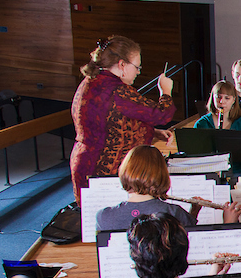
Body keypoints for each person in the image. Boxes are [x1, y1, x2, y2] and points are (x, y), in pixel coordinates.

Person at [70, 35, 176, 202]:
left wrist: (152, 132)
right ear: (122, 65)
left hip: (84, 163)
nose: (138, 71)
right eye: (137, 66)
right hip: (106, 171)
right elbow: (162, 114)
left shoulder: (90, 82)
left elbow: (107, 124)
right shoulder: (118, 91)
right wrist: (165, 91)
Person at [97, 146, 196, 233]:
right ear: (162, 175)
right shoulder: (174, 213)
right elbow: (186, 242)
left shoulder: (103, 216)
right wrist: (193, 213)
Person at [194, 81, 241, 176]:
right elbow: (195, 154)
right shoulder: (201, 124)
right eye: (218, 97)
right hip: (208, 169)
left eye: (227, 98)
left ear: (234, 100)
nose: (221, 101)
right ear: (212, 98)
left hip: (237, 170)